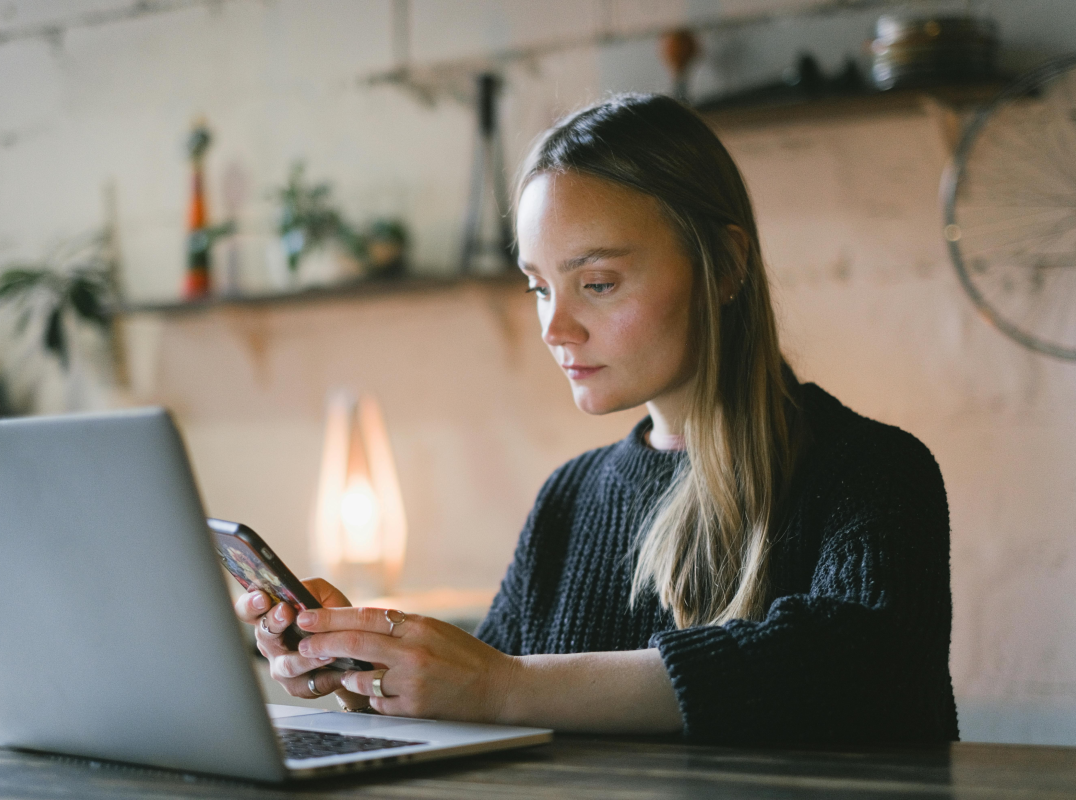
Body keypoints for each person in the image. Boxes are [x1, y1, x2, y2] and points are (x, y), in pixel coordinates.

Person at [235, 94, 958, 744]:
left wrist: (503, 685)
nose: (556, 327)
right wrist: (366, 668)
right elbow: (483, 710)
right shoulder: (569, 498)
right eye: (540, 287)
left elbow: (853, 668)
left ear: (728, 264)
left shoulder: (873, 472)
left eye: (598, 283)